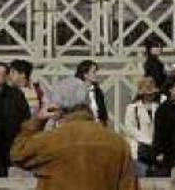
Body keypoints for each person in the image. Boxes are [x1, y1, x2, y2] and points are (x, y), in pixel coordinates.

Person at [9, 76, 137, 190]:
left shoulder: (50, 141)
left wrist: (37, 121)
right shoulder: (117, 143)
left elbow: (18, 154)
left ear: (57, 107)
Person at [124, 77, 159, 178]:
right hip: (140, 148)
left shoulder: (158, 106)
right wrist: (147, 140)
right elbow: (130, 128)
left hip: (155, 149)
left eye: (151, 93)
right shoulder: (132, 108)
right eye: (147, 93)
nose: (150, 95)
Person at [77, 59, 109, 126]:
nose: (96, 75)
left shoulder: (98, 91)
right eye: (93, 72)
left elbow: (103, 114)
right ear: (85, 74)